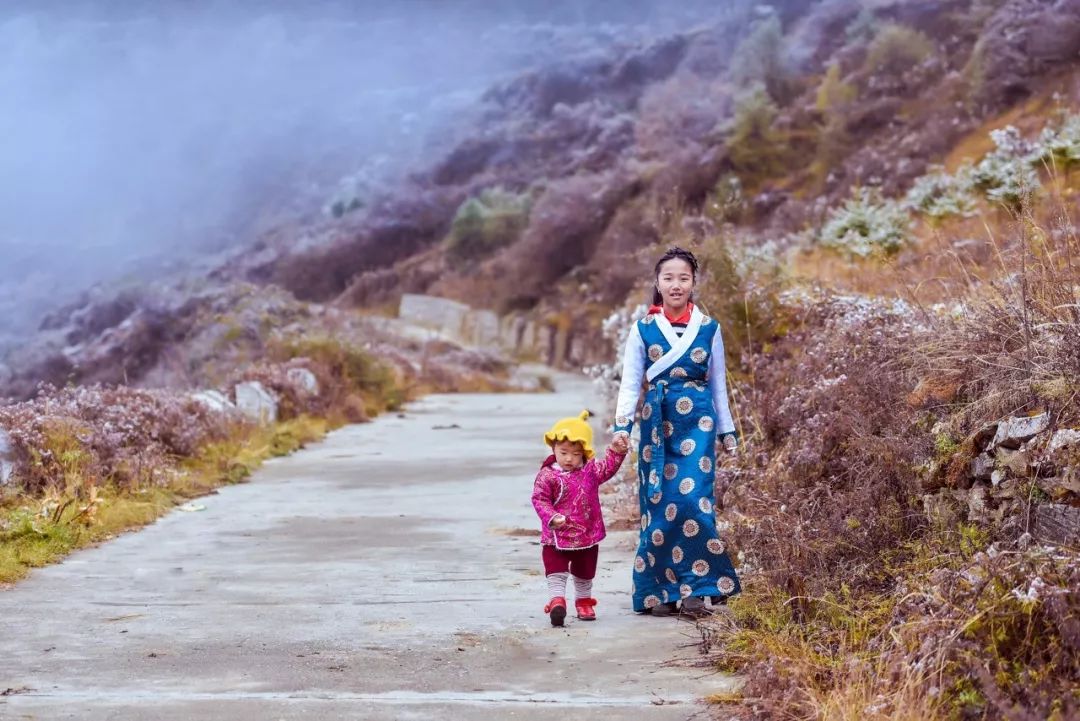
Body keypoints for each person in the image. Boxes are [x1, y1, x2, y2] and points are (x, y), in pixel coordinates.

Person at [611, 247, 741, 618]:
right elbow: (630, 382)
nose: (676, 284)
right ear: (657, 283)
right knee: (659, 506)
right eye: (668, 277)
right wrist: (623, 426)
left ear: (693, 282)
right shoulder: (643, 329)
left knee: (693, 502)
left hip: (698, 422)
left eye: (683, 277)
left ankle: (698, 587)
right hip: (656, 423)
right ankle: (661, 590)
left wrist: (726, 430)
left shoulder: (709, 329)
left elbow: (719, 385)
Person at [531, 411, 628, 627]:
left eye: (575, 454)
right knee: (555, 568)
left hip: (587, 532)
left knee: (585, 571)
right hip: (557, 534)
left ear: (584, 452)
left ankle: (584, 602)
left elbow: (608, 467)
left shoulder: (590, 471)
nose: (568, 458)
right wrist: (552, 517)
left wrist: (617, 452)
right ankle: (557, 601)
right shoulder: (548, 475)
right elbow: (539, 499)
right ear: (554, 448)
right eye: (563, 452)